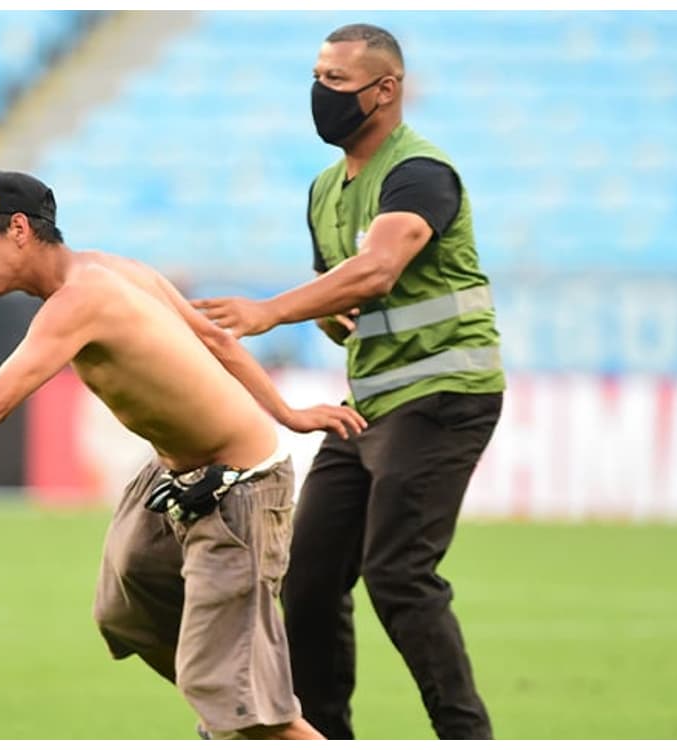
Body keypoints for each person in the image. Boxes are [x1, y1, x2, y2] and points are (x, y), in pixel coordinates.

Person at [0, 170, 367, 739]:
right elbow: (214, 339)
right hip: (174, 475)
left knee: (247, 710)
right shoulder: (112, 267)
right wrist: (287, 412)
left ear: (18, 228)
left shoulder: (77, 301)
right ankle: (230, 706)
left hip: (236, 491)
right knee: (125, 613)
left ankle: (240, 713)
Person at [193, 23, 505, 740]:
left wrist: (269, 311)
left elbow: (375, 270)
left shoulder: (420, 172)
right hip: (369, 403)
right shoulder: (325, 189)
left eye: (335, 80)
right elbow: (343, 301)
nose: (319, 93)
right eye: (317, 76)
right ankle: (325, 736)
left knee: (398, 575)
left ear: (385, 90)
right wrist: (333, 321)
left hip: (444, 397)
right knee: (306, 578)